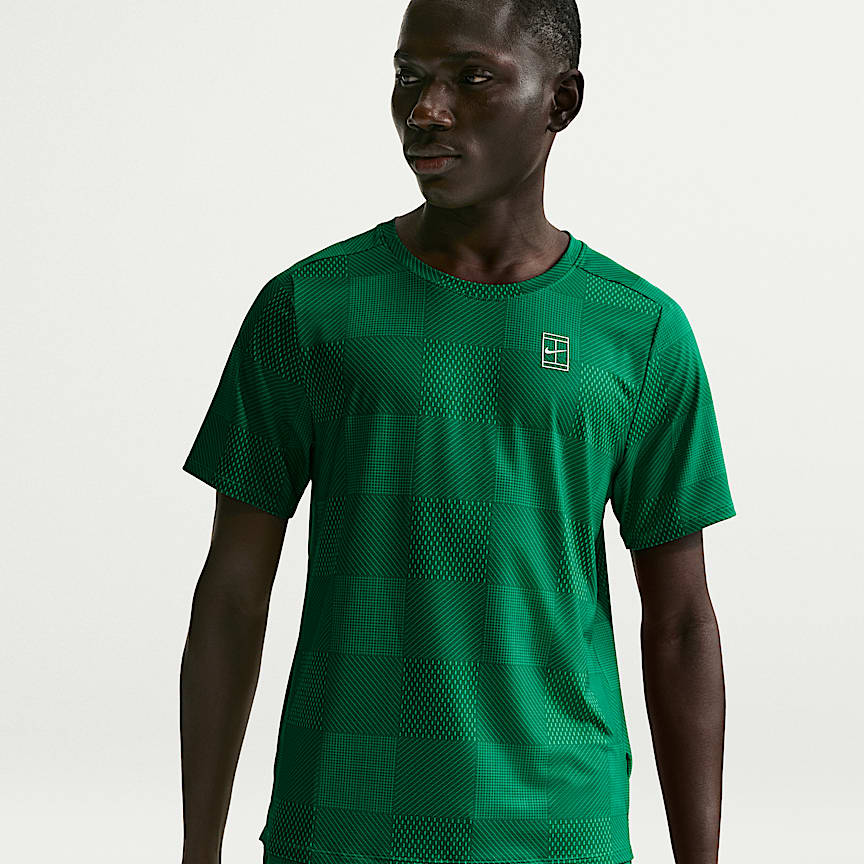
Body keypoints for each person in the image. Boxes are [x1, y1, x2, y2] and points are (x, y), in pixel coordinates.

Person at [179, 1, 736, 863]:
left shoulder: (638, 331)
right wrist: (198, 852)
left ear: (560, 101)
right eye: (409, 77)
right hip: (346, 829)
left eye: (472, 78)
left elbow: (682, 622)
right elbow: (231, 595)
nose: (427, 110)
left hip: (559, 832)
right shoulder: (309, 309)